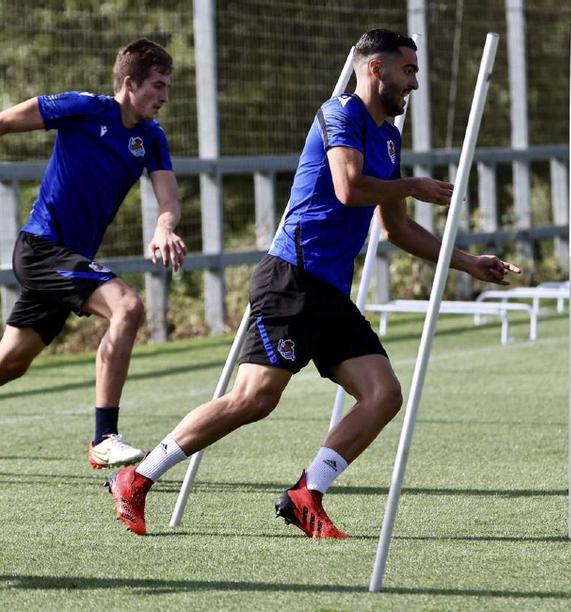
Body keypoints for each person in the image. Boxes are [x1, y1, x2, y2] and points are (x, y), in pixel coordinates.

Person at [105, 29, 520, 538]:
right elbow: (348, 189)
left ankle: (307, 494)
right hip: (292, 280)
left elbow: (396, 228)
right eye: (408, 71)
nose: (413, 83)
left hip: (329, 293)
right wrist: (412, 185)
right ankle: (138, 477)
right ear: (376, 69)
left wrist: (468, 261)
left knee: (384, 394)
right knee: (254, 398)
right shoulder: (339, 113)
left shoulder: (389, 134)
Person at [0, 39, 186, 472]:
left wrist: (163, 227)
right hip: (41, 249)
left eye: (168, 87)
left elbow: (168, 197)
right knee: (127, 307)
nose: (165, 97)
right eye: (158, 86)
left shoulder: (151, 138)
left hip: (68, 259)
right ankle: (104, 437)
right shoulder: (81, 108)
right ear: (129, 83)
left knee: (9, 362)